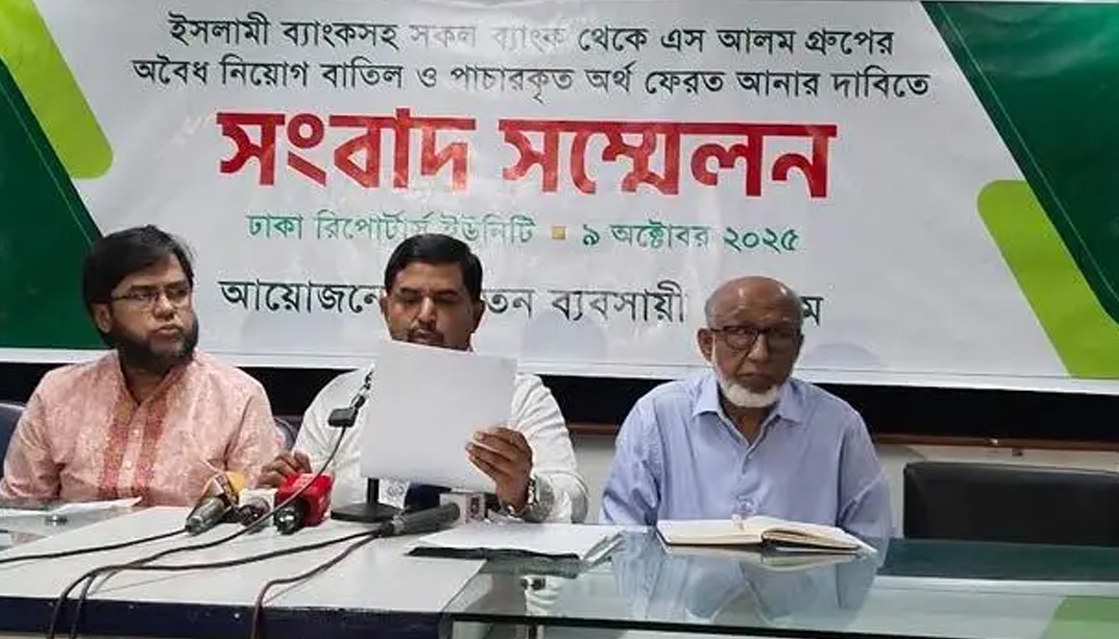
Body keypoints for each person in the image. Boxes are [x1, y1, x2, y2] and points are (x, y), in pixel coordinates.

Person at [265, 234, 588, 523]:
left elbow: (574, 503)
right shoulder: (342, 397)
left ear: (476, 314)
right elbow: (306, 492)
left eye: (445, 301)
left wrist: (523, 491)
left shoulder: (521, 396)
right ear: (385, 308)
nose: (425, 315)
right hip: (357, 567)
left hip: (480, 568)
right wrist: (288, 489)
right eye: (409, 299)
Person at [0, 225, 277, 506]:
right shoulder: (58, 394)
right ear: (104, 316)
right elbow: (15, 511)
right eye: (143, 295)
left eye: (178, 292)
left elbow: (254, 514)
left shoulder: (238, 398)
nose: (166, 308)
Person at [599, 276, 892, 540]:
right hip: (683, 586)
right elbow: (623, 539)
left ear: (797, 346)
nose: (760, 354)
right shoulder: (656, 417)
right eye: (740, 332)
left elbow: (872, 543)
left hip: (802, 585)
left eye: (779, 335)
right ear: (707, 344)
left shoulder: (838, 425)